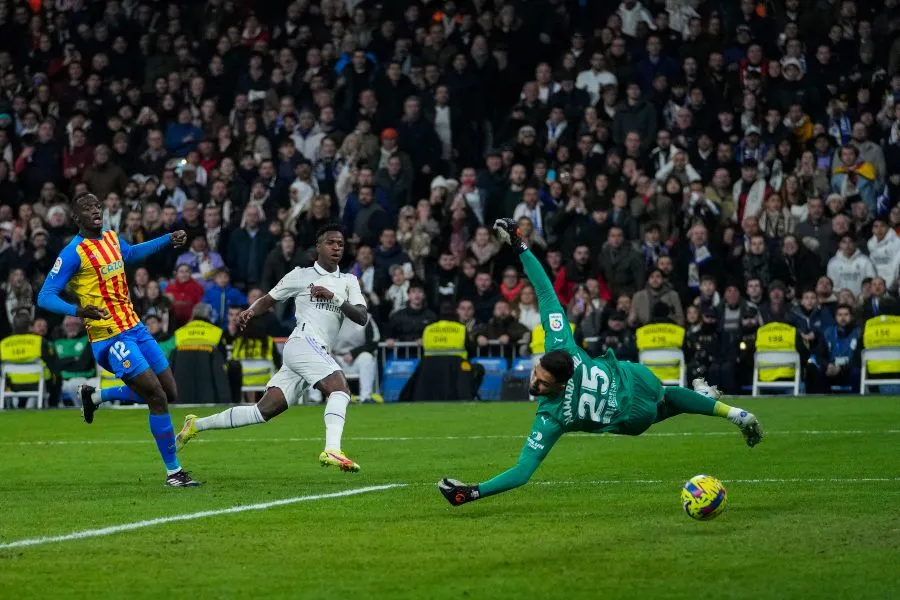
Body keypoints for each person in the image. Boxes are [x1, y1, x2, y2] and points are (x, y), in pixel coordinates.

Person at [438, 219, 764, 506]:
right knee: (667, 396)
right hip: (636, 384)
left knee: (662, 404)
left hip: (631, 420)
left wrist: (471, 492)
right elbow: (547, 293)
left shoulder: (551, 417)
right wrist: (520, 242)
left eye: (540, 381)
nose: (534, 382)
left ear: (561, 384)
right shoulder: (562, 345)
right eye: (536, 373)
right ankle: (732, 412)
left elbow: (522, 472)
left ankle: (710, 402)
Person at [176, 225, 369, 472]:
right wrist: (250, 311)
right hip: (302, 343)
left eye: (340, 244)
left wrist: (334, 297)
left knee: (263, 411)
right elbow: (269, 298)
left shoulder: (348, 281)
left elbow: (361, 316)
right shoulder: (300, 275)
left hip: (316, 351)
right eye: (330, 243)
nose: (336, 248)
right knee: (340, 388)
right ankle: (332, 449)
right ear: (318, 247)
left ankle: (195, 425)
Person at [36, 192, 198, 487]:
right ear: (76, 218)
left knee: (169, 392)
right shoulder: (73, 252)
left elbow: (131, 254)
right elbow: (45, 295)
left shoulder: (111, 237)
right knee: (157, 398)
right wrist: (78, 310)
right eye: (87, 208)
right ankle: (174, 473)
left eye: (97, 206)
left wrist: (166, 240)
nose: (95, 211)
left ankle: (97, 396)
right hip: (108, 336)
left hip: (134, 326)